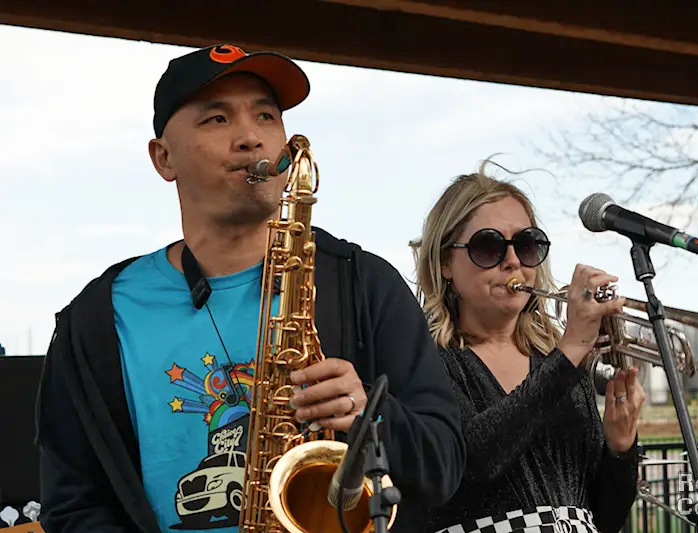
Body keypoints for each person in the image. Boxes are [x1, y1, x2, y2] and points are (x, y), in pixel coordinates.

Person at [34, 44, 466, 533]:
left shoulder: (365, 282)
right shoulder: (95, 318)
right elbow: (71, 507)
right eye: (216, 119)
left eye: (266, 116)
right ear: (163, 157)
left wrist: (369, 413)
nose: (250, 138)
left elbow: (444, 467)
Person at [410, 164, 645, 533]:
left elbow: (605, 517)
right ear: (444, 264)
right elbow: (474, 458)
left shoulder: (563, 369)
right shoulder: (425, 360)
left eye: (526, 244)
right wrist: (569, 353)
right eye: (488, 247)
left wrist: (620, 447)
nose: (513, 261)